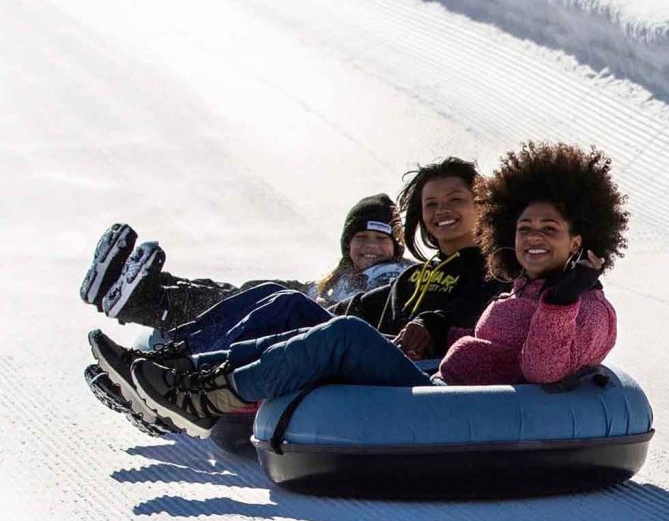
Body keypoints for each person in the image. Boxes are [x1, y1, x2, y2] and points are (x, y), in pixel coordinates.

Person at [123, 142, 629, 438]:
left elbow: (545, 369)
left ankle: (209, 396)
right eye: (523, 229)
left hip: (446, 398)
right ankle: (189, 376)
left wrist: (563, 299)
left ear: (579, 240)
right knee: (309, 314)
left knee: (343, 335)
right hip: (431, 384)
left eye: (548, 229)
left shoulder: (585, 305)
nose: (532, 238)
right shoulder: (518, 286)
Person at [89, 156, 503, 433]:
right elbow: (353, 307)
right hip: (379, 352)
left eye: (455, 200)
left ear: (481, 206)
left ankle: (200, 390)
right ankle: (176, 364)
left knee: (339, 329)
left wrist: (433, 321)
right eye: (431, 203)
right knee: (284, 300)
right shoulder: (418, 275)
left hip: (417, 373)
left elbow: (489, 304)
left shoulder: (494, 265)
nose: (440, 210)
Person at [83, 193, 410, 434]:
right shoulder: (337, 280)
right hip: (320, 332)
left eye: (380, 239)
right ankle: (151, 298)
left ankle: (174, 351)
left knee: (285, 303)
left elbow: (361, 314)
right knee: (258, 292)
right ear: (346, 244)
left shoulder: (395, 273)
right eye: (361, 237)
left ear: (396, 246)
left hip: (348, 349)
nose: (371, 246)